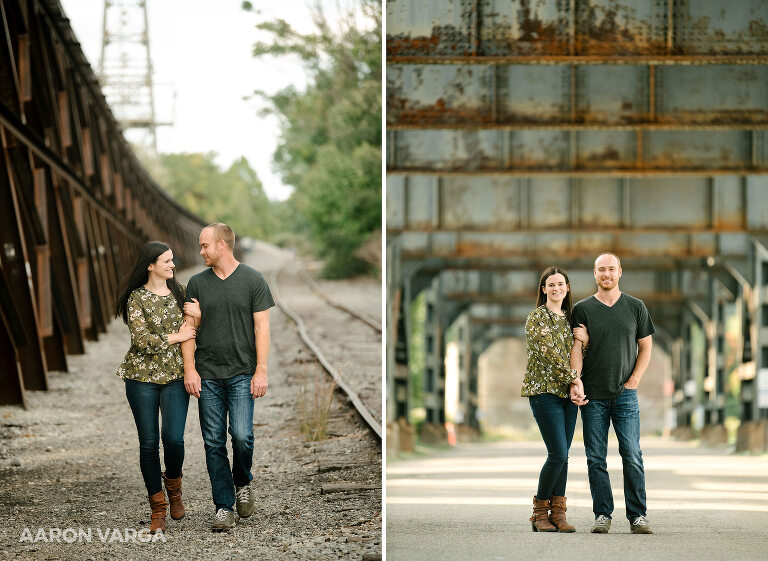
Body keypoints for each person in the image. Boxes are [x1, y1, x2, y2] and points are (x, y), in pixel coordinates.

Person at [181, 223, 275, 532]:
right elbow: (189, 330)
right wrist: (190, 369)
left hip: (241, 373)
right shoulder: (196, 283)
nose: (201, 251)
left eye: (205, 245)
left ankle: (243, 481)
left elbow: (262, 328)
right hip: (207, 375)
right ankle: (223, 506)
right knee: (213, 442)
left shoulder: (253, 280)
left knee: (242, 436)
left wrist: (261, 370)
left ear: (223, 245)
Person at [569, 252, 655, 535]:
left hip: (625, 394)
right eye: (600, 269)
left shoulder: (636, 307)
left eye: (611, 269)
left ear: (620, 272)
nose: (606, 274)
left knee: (632, 453)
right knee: (596, 457)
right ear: (595, 274)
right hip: (592, 395)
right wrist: (576, 381)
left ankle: (637, 516)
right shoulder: (582, 309)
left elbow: (646, 347)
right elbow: (577, 349)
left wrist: (634, 380)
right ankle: (602, 514)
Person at [114, 241, 197, 534]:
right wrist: (177, 336)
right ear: (150, 265)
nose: (172, 265)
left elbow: (195, 326)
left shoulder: (181, 293)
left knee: (173, 439)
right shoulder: (135, 298)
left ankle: (174, 488)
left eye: (172, 260)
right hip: (140, 379)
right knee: (148, 443)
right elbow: (141, 341)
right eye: (166, 261)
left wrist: (197, 318)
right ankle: (158, 507)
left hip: (175, 376)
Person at [521, 266, 589, 532]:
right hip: (543, 393)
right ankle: (539, 513)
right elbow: (549, 355)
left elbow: (580, 352)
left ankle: (558, 514)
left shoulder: (571, 319)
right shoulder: (536, 317)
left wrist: (584, 340)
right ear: (544, 289)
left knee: (565, 456)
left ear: (568, 288)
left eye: (561, 284)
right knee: (557, 453)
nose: (557, 288)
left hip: (567, 395)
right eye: (551, 285)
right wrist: (575, 379)